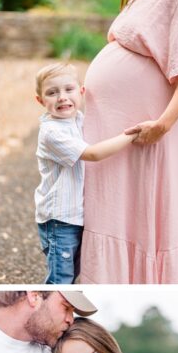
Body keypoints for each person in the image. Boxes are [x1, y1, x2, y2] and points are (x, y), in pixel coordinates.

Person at [79, 0, 178, 284]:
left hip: (146, 133)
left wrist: (163, 124)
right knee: (115, 211)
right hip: (114, 134)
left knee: (138, 217)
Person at [33, 64, 139, 284]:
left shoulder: (77, 119)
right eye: (52, 93)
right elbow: (93, 153)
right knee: (61, 279)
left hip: (75, 217)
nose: (62, 97)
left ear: (81, 92)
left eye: (68, 90)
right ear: (40, 101)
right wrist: (131, 136)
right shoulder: (51, 133)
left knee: (73, 275)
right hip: (60, 220)